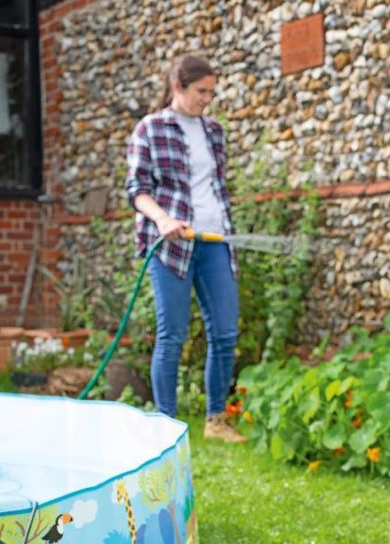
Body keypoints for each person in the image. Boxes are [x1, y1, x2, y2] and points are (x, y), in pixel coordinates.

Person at [125, 53, 247, 443]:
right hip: (171, 245)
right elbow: (137, 190)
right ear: (178, 86)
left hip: (214, 241)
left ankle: (216, 420)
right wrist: (162, 219)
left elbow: (216, 187)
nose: (207, 99)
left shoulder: (214, 131)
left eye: (212, 93)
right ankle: (166, 427)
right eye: (200, 91)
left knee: (225, 332)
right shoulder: (150, 128)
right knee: (172, 335)